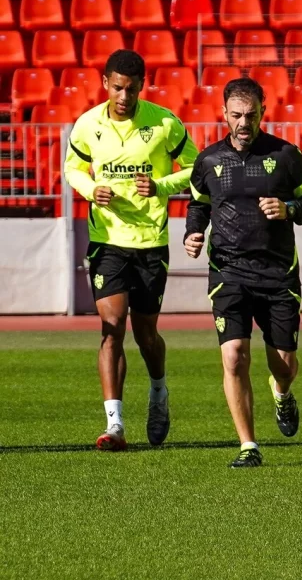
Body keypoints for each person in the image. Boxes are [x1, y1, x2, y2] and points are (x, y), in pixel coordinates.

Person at [185, 77, 302, 468]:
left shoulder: (284, 155)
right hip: (228, 271)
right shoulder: (209, 160)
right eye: (236, 116)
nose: (243, 123)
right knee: (234, 356)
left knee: (283, 364)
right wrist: (193, 232)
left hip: (278, 273)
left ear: (263, 111)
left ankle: (281, 393)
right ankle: (249, 446)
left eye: (251, 115)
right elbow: (198, 203)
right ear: (224, 113)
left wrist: (289, 209)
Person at [65, 49, 198, 451]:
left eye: (131, 88)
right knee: (112, 326)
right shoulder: (88, 125)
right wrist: (91, 189)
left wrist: (161, 186)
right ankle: (115, 424)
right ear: (105, 82)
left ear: (143, 84)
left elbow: (197, 169)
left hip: (150, 242)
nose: (123, 96)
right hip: (107, 240)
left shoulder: (164, 123)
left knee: (145, 334)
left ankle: (158, 392)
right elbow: (73, 168)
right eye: (117, 87)